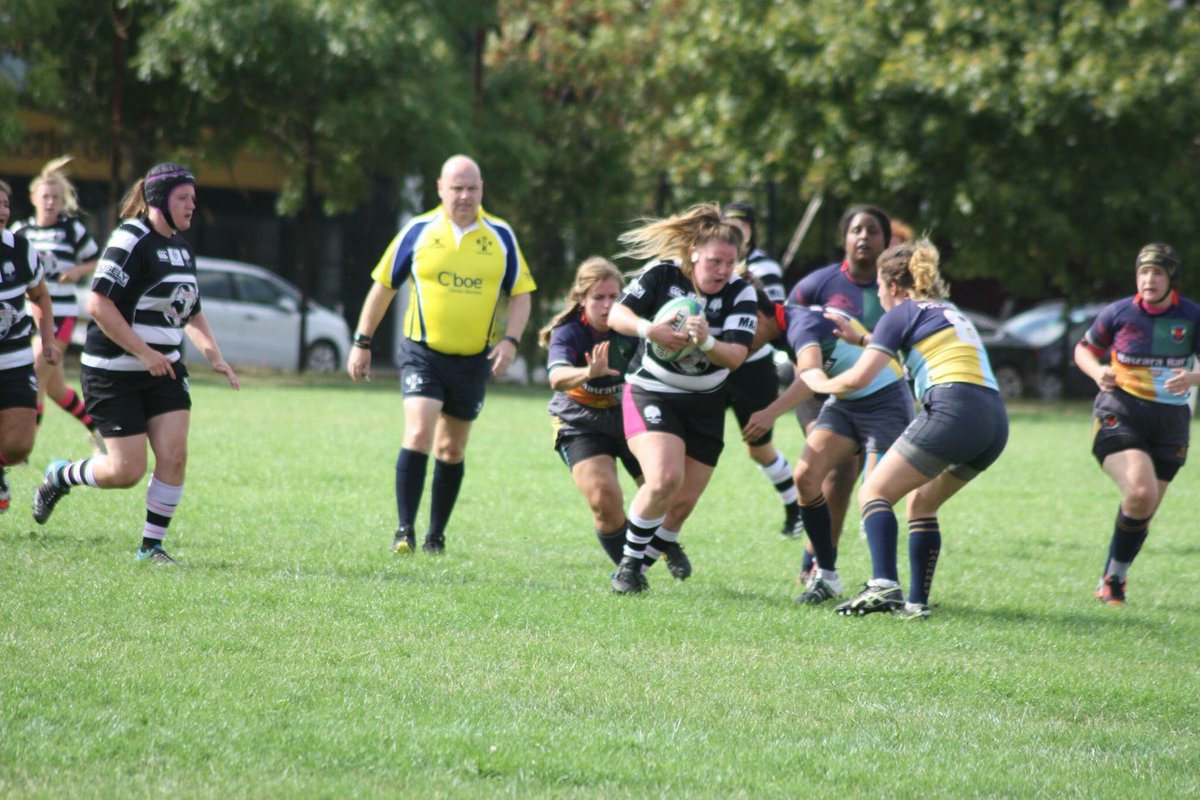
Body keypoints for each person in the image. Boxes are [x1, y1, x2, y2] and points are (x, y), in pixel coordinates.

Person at [30, 163, 240, 565]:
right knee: (126, 472)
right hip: (113, 371)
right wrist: (143, 352)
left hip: (165, 369)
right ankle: (62, 474)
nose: (191, 206)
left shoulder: (181, 246)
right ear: (159, 200)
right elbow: (98, 303)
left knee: (175, 456)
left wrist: (215, 356)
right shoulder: (130, 239)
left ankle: (151, 547)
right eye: (183, 198)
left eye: (193, 199)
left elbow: (190, 309)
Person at [801, 238, 1007, 619]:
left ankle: (883, 585)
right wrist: (862, 338)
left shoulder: (899, 313)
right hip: (994, 421)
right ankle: (916, 605)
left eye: (879, 285)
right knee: (922, 502)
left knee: (874, 490)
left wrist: (818, 380)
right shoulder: (946, 309)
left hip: (953, 409)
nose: (878, 292)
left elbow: (859, 378)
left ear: (893, 286)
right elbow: (909, 347)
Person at [347, 154, 536, 555]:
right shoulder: (417, 231)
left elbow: (521, 294)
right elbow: (383, 287)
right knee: (418, 431)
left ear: (482, 190)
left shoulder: (500, 237)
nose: (465, 196)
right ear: (440, 188)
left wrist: (511, 341)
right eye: (457, 188)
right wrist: (362, 342)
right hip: (423, 353)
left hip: (473, 361)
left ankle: (436, 535)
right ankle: (404, 531)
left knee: (451, 449)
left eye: (472, 188)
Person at [605, 202, 757, 593]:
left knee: (681, 505)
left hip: (706, 405)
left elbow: (736, 357)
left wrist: (705, 340)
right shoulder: (662, 275)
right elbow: (616, 317)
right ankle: (627, 567)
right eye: (715, 261)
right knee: (664, 479)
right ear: (694, 253)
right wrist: (648, 329)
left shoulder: (742, 293)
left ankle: (641, 564)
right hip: (652, 390)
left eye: (730, 262)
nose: (723, 270)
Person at [742, 290, 914, 605]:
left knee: (874, 494)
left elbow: (810, 375)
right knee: (806, 477)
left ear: (760, 314)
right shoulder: (785, 329)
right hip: (846, 402)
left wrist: (770, 413)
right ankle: (827, 578)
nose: (737, 337)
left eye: (742, 326)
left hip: (886, 400)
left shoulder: (800, 324)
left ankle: (886, 586)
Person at [1074, 244, 1200, 606]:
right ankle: (1113, 579)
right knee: (1141, 493)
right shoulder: (1117, 313)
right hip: (1119, 412)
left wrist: (1193, 378)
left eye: (1157, 273)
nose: (1149, 280)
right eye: (1143, 272)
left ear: (1171, 278)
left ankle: (1114, 578)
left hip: (1171, 422)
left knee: (1143, 506)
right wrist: (1098, 371)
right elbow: (1083, 349)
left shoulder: (1192, 316)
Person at [787, 204, 893, 580]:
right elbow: (789, 328)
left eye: (872, 231)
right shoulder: (818, 284)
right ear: (845, 238)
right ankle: (813, 565)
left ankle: (821, 563)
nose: (864, 237)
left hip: (876, 393)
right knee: (838, 468)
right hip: (820, 390)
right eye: (856, 230)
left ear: (886, 240)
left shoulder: (896, 288)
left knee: (855, 478)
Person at [540, 257, 641, 566]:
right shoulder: (568, 331)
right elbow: (556, 378)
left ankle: (664, 545)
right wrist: (588, 372)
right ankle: (629, 571)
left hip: (627, 415)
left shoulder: (633, 326)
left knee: (663, 488)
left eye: (614, 297)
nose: (607, 305)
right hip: (579, 420)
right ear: (582, 299)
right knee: (604, 500)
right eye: (598, 297)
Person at [721, 202, 803, 538]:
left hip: (753, 367)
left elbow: (773, 313)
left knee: (757, 447)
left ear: (753, 230)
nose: (738, 231)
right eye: (731, 225)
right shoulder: (713, 259)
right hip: (716, 364)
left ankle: (795, 508)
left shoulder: (764, 266)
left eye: (744, 225)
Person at [11, 157, 104, 454]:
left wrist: (78, 271)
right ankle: (96, 428)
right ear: (33, 198)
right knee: (56, 389)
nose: (51, 202)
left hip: (61, 314)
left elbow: (96, 259)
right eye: (46, 196)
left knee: (35, 375)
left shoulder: (72, 230)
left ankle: (23, 447)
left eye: (56, 197)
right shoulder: (20, 231)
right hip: (26, 317)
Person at [0, 178, 60, 512]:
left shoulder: (21, 250)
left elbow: (39, 296)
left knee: (20, 445)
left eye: (6, 204)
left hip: (15, 359)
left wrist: (47, 340)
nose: (2, 211)